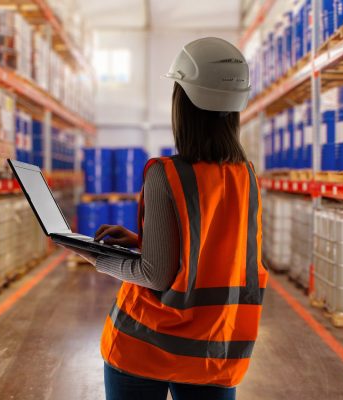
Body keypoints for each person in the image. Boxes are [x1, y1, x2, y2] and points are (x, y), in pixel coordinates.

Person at [76, 37, 268, 400]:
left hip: (146, 345)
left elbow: (155, 275)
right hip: (215, 350)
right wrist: (141, 241)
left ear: (183, 103)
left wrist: (96, 257)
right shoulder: (248, 177)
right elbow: (215, 253)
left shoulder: (166, 174)